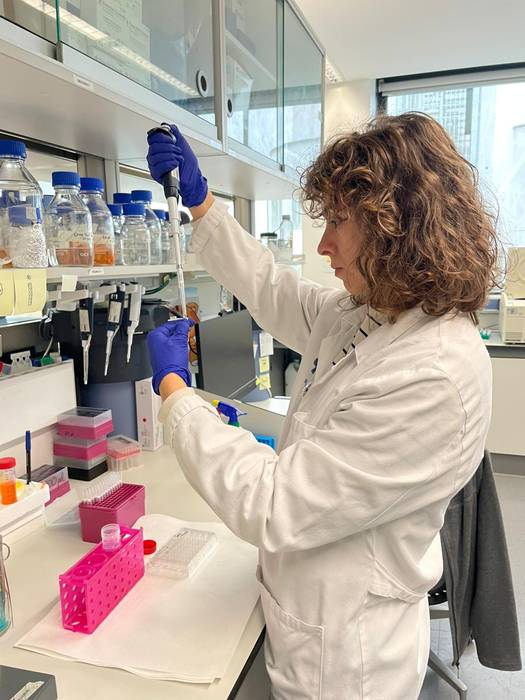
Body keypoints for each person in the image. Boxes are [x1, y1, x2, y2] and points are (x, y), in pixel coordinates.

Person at [146, 113, 499, 700]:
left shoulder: (434, 372)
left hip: (346, 660)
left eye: (338, 221)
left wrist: (176, 395)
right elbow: (277, 293)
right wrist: (204, 208)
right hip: (311, 609)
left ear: (395, 226)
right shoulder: (376, 310)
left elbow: (273, 503)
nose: (323, 244)